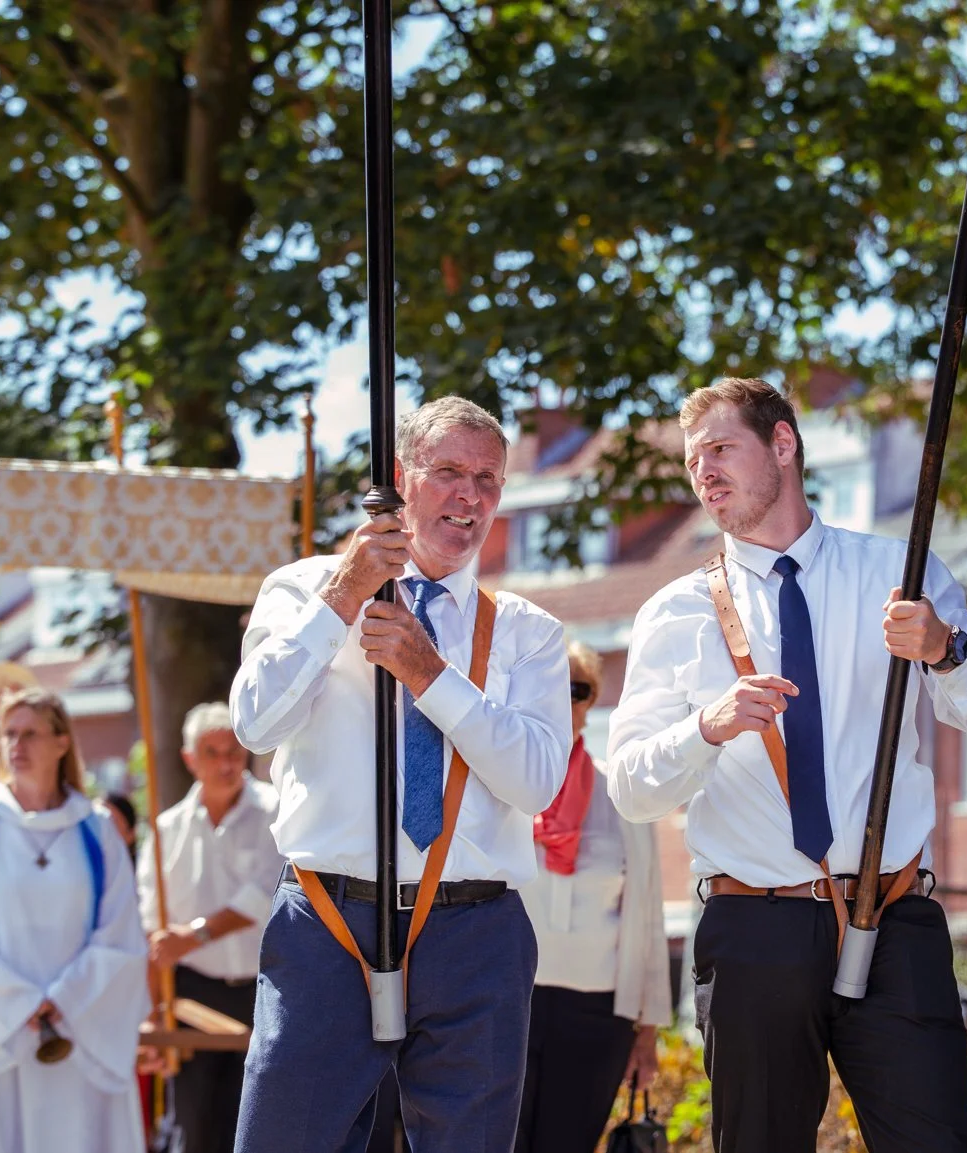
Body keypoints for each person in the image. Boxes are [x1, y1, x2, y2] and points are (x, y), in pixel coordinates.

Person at [608, 377, 967, 1153]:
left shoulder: (900, 572)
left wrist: (946, 650)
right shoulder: (675, 612)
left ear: (784, 444)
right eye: (694, 461)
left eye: (722, 448)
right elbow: (630, 786)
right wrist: (708, 725)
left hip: (892, 912)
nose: (706, 472)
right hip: (751, 927)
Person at [229, 396, 569, 1152]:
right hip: (328, 920)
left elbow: (538, 782)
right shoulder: (301, 589)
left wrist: (430, 674)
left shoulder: (527, 631)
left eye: (488, 478)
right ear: (400, 477)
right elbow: (256, 722)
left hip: (475, 931)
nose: (469, 495)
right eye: (448, 471)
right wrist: (342, 598)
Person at [0, 688, 150, 1152]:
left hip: (80, 1027)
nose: (17, 746)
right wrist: (19, 1000)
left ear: (62, 742)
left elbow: (121, 930)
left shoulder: (97, 831)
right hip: (0, 1032)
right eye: (9, 734)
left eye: (31, 734)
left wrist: (62, 998)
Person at [514, 640, 672, 1153]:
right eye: (549, 687)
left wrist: (646, 1033)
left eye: (577, 690)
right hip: (505, 1004)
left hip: (599, 1018)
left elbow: (646, 917)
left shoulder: (622, 795)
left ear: (593, 701)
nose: (563, 701)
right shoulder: (499, 787)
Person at [140, 702, 284, 1153]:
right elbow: (150, 930)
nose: (226, 763)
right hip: (193, 995)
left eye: (234, 752)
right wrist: (154, 1015)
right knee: (195, 1123)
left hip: (267, 990)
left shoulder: (277, 810)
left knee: (260, 1119)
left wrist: (194, 935)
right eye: (212, 752)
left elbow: (264, 895)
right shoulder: (165, 831)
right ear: (189, 759)